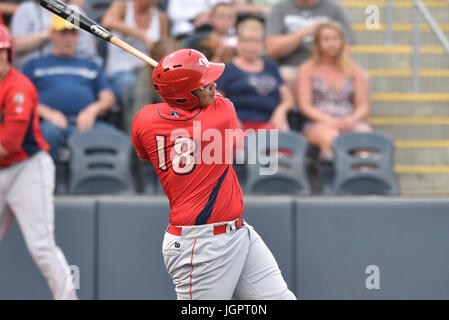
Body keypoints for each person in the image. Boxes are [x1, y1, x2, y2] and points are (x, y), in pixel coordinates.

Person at [131, 48, 296, 300]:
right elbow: (218, 100)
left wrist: (180, 81)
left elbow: (144, 153)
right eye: (205, 83)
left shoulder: (144, 119)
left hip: (238, 232)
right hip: (201, 245)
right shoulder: (222, 113)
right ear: (186, 96)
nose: (214, 84)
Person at [0, 25, 77, 300]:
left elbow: (7, 145)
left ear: (9, 54)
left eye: (1, 52)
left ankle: (68, 297)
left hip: (28, 169)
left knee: (41, 244)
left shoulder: (19, 86)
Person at [23, 15, 116, 160]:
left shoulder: (90, 65)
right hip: (48, 124)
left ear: (78, 37)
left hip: (86, 122)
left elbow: (108, 97)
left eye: (73, 33)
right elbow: (21, 97)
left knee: (115, 137)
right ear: (52, 34)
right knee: (46, 133)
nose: (68, 37)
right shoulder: (35, 64)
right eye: (63, 32)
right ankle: (49, 180)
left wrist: (93, 110)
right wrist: (47, 112)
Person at [297, 21, 371, 160]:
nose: (332, 43)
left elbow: (363, 106)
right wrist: (330, 121)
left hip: (348, 119)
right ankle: (334, 177)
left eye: (335, 38)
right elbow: (305, 106)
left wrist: (351, 120)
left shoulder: (354, 70)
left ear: (342, 41)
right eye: (326, 39)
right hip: (319, 121)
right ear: (318, 44)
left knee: (366, 137)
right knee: (332, 138)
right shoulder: (307, 69)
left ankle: (364, 174)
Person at [216, 18, 294, 132]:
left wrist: (281, 111)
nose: (252, 45)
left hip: (269, 124)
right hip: (238, 125)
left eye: (256, 41)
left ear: (262, 44)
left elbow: (288, 99)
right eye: (247, 40)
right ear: (238, 42)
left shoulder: (271, 68)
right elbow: (217, 101)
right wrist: (230, 117)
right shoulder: (226, 69)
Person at [265, 0, 354, 95]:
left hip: (325, 66)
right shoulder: (280, 7)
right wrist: (305, 32)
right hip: (291, 66)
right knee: (286, 77)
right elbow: (271, 49)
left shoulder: (334, 7)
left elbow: (347, 46)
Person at [101, 0, 169, 101]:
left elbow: (164, 46)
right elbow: (107, 21)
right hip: (122, 69)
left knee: (165, 89)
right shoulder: (122, 6)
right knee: (134, 87)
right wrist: (141, 34)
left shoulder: (160, 17)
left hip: (148, 70)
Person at [9, 0, 100, 71]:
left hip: (70, 68)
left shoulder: (74, 10)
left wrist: (67, 38)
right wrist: (47, 34)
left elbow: (89, 50)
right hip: (33, 71)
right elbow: (16, 45)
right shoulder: (27, 8)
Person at [127, 37, 180, 132]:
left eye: (177, 65)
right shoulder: (145, 78)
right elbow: (140, 114)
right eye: (168, 67)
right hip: (156, 129)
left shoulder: (187, 74)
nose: (173, 70)